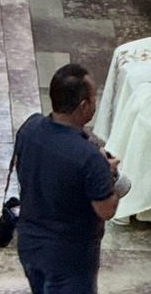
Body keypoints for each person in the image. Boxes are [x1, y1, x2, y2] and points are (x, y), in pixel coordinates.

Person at [14, 63, 120, 294]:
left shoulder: (30, 128)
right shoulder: (90, 158)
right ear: (83, 106)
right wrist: (109, 177)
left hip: (30, 243)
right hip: (69, 259)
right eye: (94, 98)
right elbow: (106, 210)